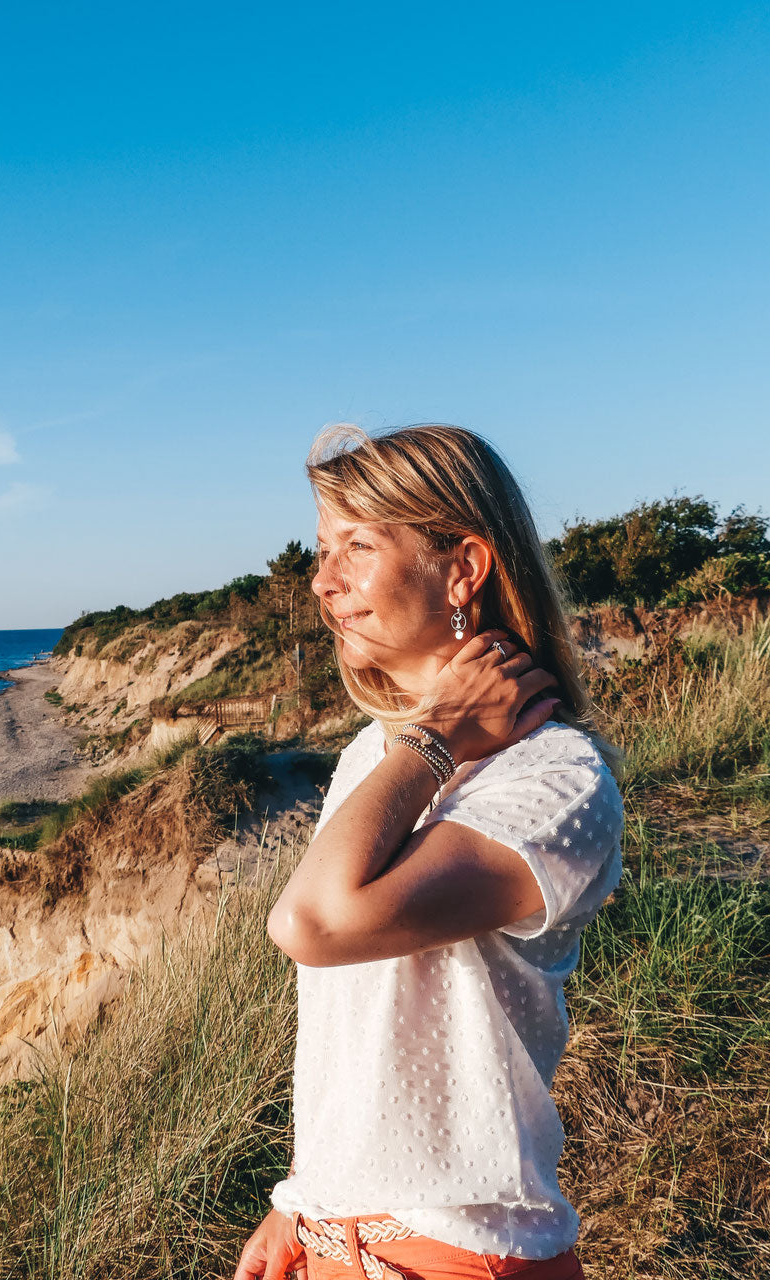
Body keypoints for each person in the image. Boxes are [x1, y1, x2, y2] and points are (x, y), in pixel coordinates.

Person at [233, 423, 624, 1280]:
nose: (322, 580)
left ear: (463, 568)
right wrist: (299, 1200)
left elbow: (314, 923)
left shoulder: (557, 779)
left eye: (358, 546)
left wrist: (439, 732)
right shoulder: (375, 758)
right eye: (323, 548)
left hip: (459, 1256)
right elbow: (361, 1023)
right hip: (336, 1240)